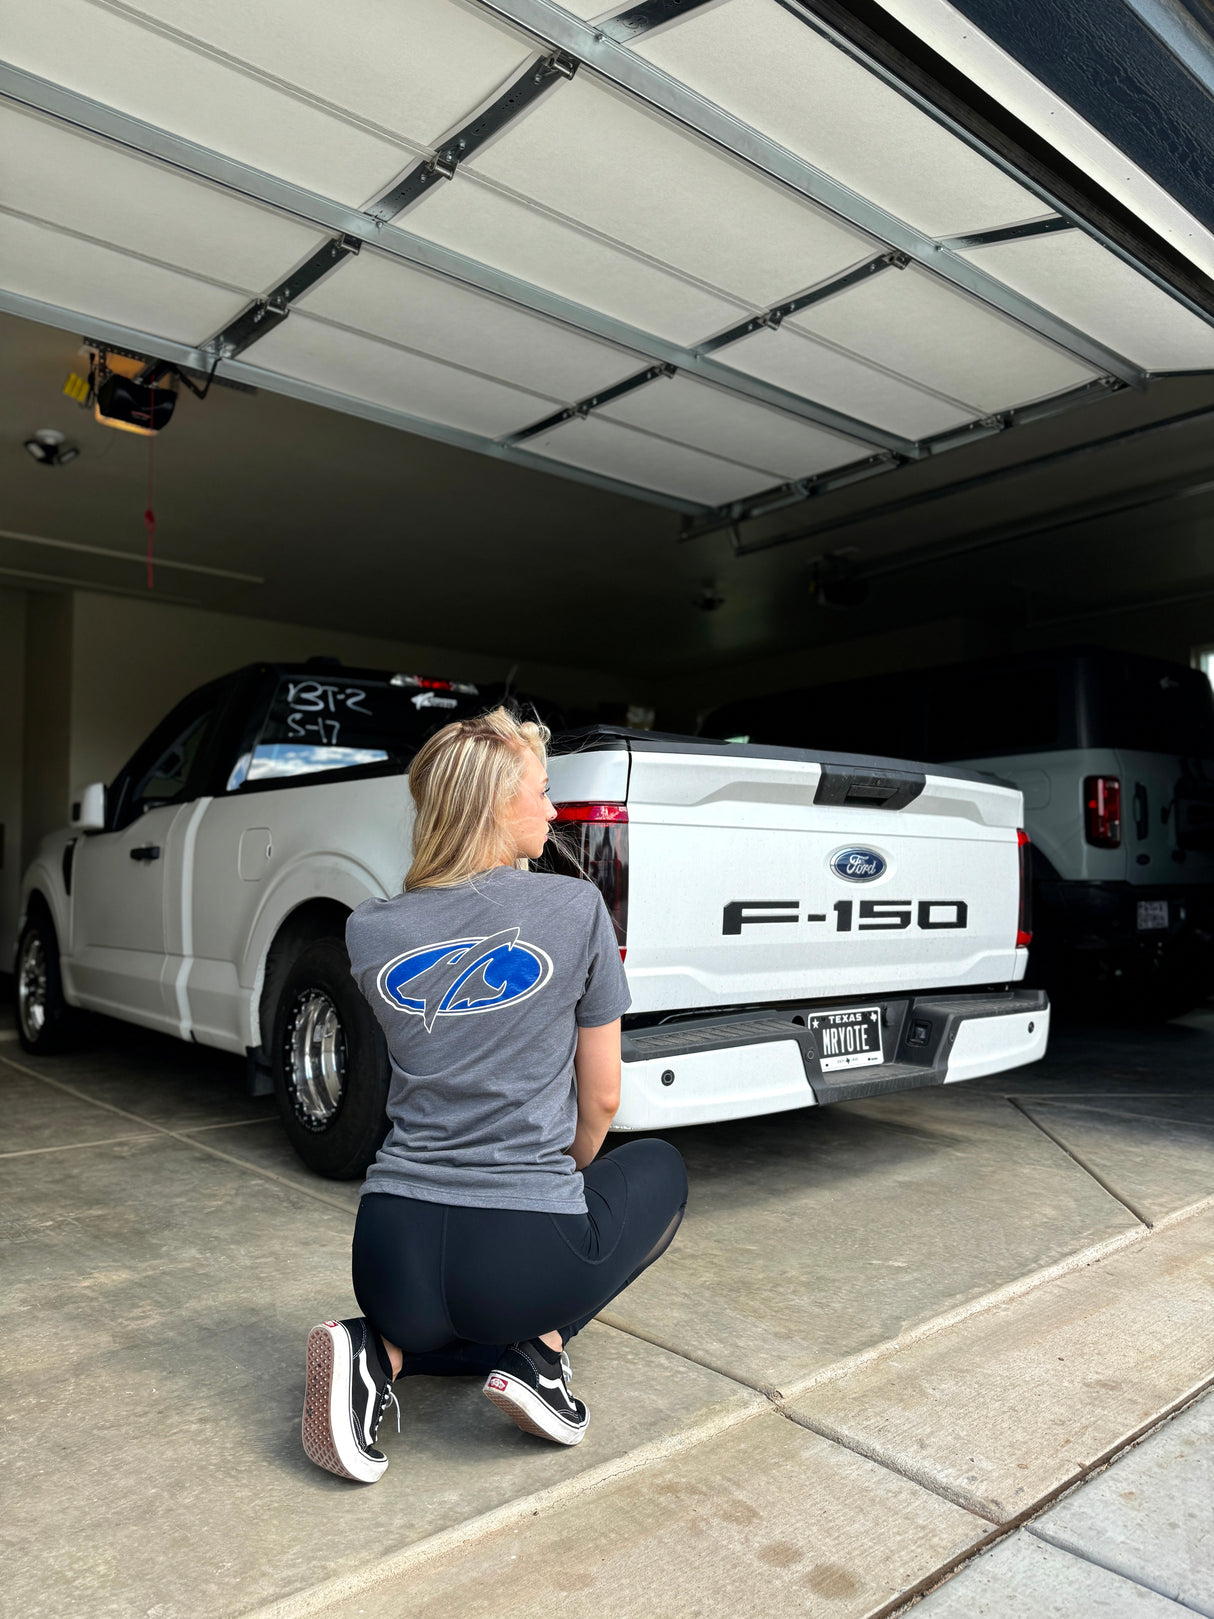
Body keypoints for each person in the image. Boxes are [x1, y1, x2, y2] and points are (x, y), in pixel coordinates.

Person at [301, 707, 688, 1483]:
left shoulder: (371, 929)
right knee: (661, 1171)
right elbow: (603, 1097)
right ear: (490, 805)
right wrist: (559, 1178)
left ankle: (377, 1349)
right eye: (542, 792)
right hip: (520, 1259)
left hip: (387, 1253)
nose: (553, 811)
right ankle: (539, 1354)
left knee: (449, 1313)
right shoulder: (577, 909)